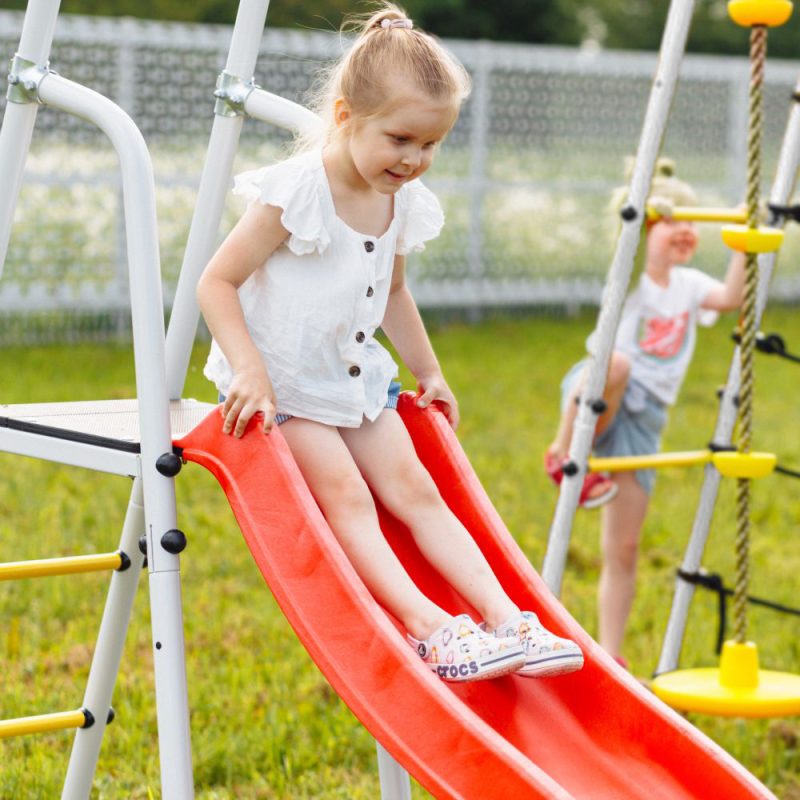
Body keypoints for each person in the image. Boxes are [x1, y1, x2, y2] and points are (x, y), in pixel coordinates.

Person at [197, 3, 583, 683]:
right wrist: (249, 372)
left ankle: (505, 617)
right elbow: (217, 282)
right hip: (283, 382)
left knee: (416, 487)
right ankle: (431, 628)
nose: (415, 160)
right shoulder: (299, 191)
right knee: (348, 493)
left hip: (352, 376)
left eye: (431, 145)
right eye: (401, 139)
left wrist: (427, 369)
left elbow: (395, 291)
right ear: (346, 117)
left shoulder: (398, 197)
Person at [544, 159, 745, 666]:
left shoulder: (691, 285)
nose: (685, 232)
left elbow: (731, 297)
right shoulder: (629, 280)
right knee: (617, 361)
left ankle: (612, 654)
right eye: (671, 222)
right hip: (598, 395)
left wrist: (743, 247)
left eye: (692, 224)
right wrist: (639, 209)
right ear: (643, 231)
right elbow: (627, 247)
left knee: (625, 548)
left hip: (643, 420)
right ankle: (564, 448)